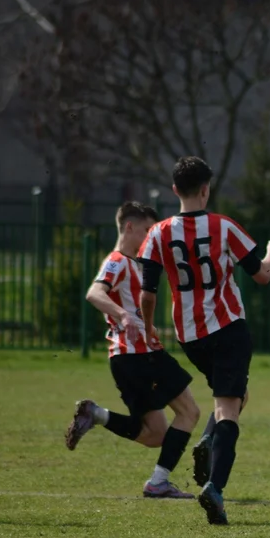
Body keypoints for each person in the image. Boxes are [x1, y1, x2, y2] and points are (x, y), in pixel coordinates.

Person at [138, 156, 270, 525]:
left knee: (234, 397)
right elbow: (264, 276)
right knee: (229, 409)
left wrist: (147, 327)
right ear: (207, 189)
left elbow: (148, 292)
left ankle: (208, 439)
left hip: (191, 336)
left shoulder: (157, 233)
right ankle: (215, 489)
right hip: (229, 329)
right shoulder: (223, 227)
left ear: (175, 190)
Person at [64, 201, 201, 498]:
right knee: (189, 411)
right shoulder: (117, 261)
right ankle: (158, 483)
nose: (151, 237)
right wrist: (123, 314)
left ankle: (96, 415)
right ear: (128, 227)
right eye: (147, 230)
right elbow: (94, 292)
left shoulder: (136, 263)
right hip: (139, 356)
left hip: (129, 358)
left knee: (155, 435)